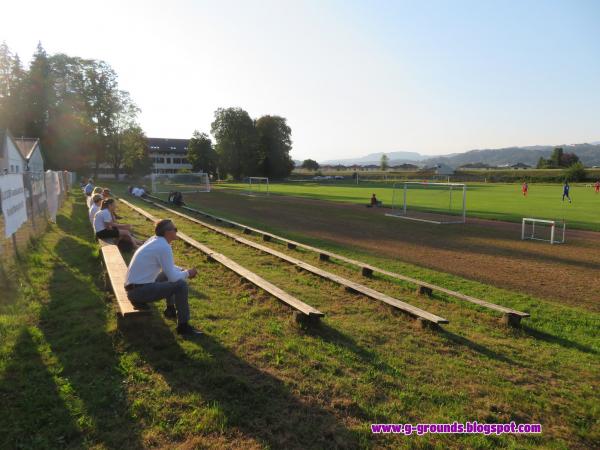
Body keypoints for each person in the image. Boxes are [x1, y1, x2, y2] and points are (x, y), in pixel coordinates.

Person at [124, 219, 201, 335]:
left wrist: (182, 270)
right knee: (181, 285)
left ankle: (170, 310)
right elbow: (174, 278)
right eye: (175, 229)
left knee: (166, 275)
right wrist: (188, 273)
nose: (176, 231)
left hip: (134, 288)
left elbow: (168, 267)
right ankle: (183, 327)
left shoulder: (155, 240)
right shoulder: (163, 247)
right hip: (138, 292)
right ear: (167, 232)